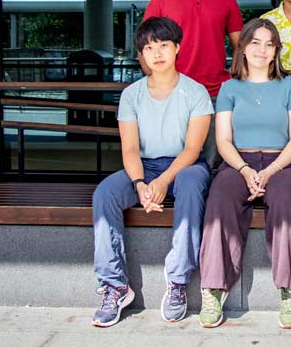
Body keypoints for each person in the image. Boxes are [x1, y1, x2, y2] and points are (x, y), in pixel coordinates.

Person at [91, 17, 212, 327]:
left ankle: (178, 281)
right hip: (143, 168)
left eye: (163, 45)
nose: (157, 53)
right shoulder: (132, 95)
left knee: (190, 185)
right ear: (141, 55)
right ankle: (115, 286)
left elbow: (192, 150)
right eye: (149, 48)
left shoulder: (195, 92)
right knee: (105, 193)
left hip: (184, 166)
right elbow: (130, 150)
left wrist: (161, 181)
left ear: (177, 49)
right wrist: (141, 184)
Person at [198, 18, 291, 329]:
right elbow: (222, 140)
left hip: (284, 162)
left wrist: (271, 170)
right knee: (219, 199)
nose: (262, 49)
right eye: (255, 42)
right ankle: (213, 287)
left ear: (276, 51)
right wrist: (246, 170)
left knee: (285, 202)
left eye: (269, 43)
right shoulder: (229, 88)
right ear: (243, 47)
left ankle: (290, 289)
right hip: (239, 161)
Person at [143, 0, 244, 167]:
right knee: (174, 158)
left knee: (212, 160)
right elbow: (144, 45)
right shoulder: (160, 0)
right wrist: (155, 80)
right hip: (173, 92)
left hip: (215, 93)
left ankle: (209, 202)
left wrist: (235, 80)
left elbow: (241, 46)